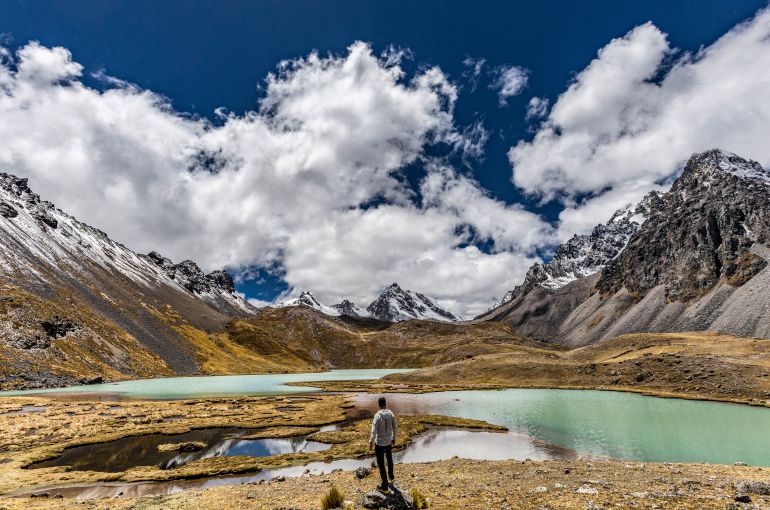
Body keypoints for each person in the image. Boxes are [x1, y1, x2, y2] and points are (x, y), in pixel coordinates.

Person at [369, 396, 397, 491]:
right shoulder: (390, 414)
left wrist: (371, 441)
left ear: (379, 405)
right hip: (388, 441)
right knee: (389, 459)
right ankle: (391, 477)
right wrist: (394, 438)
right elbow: (395, 427)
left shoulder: (377, 416)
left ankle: (384, 485)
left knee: (381, 463)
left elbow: (373, 430)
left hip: (380, 442)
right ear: (385, 404)